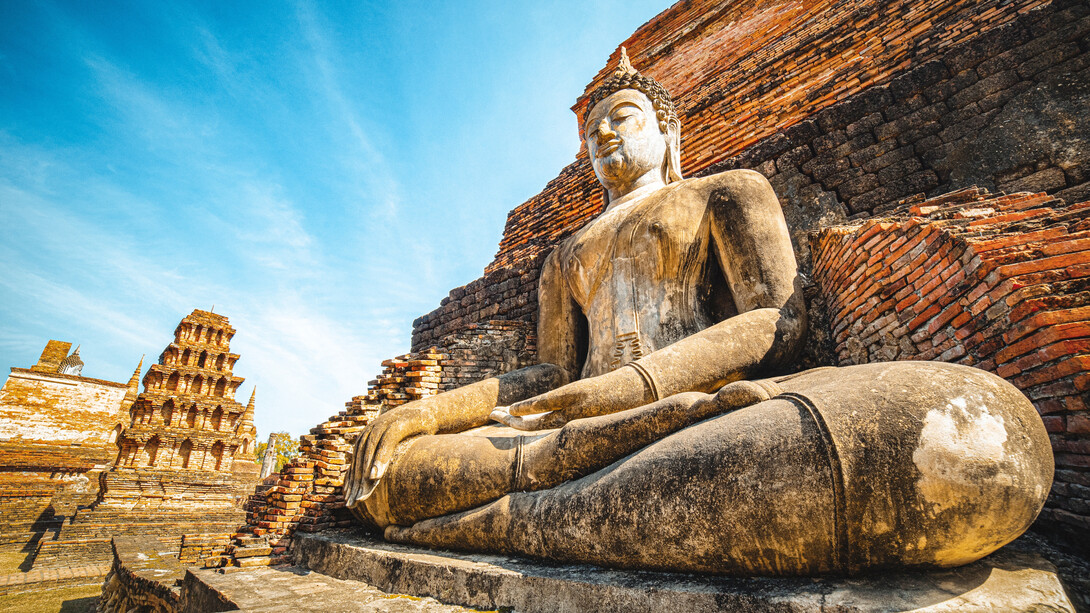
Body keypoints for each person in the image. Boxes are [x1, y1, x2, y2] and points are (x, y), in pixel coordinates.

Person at [344, 49, 1051, 575]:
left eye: (623, 118)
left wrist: (633, 389)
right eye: (592, 134)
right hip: (571, 433)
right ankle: (545, 508)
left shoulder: (725, 191)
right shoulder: (564, 254)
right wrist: (428, 414)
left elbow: (780, 321)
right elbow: (550, 372)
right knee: (384, 471)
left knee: (970, 433)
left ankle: (506, 520)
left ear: (669, 132)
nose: (604, 138)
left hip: (696, 409)